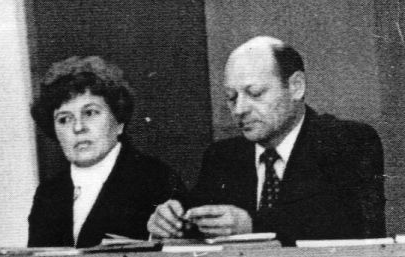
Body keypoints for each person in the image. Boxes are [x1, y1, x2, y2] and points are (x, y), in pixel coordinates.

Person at [147, 36, 385, 245]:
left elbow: (347, 222)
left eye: (255, 93)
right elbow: (196, 212)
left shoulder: (347, 141)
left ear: (296, 87)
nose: (239, 109)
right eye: (231, 98)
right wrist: (171, 220)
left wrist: (252, 225)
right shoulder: (223, 156)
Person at [27, 56, 181, 248]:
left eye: (90, 113)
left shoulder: (157, 179)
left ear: (119, 121)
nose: (78, 127)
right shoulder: (49, 193)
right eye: (64, 119)